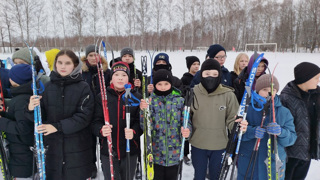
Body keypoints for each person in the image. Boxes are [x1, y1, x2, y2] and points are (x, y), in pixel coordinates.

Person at [27, 50, 94, 180]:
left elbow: (84, 117)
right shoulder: (47, 87)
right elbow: (40, 117)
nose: (63, 66)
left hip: (77, 149)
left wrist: (57, 127)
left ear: (74, 65)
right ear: (55, 64)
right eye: (60, 62)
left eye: (67, 63)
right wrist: (31, 108)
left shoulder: (83, 87)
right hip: (53, 149)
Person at [189, 59, 248, 180]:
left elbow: (232, 120)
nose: (210, 77)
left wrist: (239, 126)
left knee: (216, 176)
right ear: (201, 74)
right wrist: (186, 130)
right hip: (198, 144)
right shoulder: (193, 93)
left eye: (215, 75)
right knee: (198, 176)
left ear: (219, 75)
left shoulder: (228, 94)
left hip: (219, 145)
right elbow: (187, 118)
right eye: (207, 74)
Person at [237, 74, 297, 180]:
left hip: (273, 165)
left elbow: (291, 139)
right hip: (249, 162)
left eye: (273, 90)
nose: (269, 93)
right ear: (258, 90)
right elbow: (235, 135)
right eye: (264, 89)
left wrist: (281, 132)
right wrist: (252, 131)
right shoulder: (246, 109)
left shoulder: (284, 112)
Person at [91, 61, 142, 180]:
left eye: (124, 75)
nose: (120, 78)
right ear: (111, 77)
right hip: (108, 151)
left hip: (130, 150)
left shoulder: (136, 96)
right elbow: (94, 122)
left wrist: (134, 132)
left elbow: (140, 123)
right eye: (116, 75)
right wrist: (101, 130)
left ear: (128, 78)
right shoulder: (102, 96)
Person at [140, 69, 191, 180]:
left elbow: (187, 122)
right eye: (159, 84)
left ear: (171, 84)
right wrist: (143, 111)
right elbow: (144, 126)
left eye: (166, 84)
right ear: (154, 85)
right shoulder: (150, 102)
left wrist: (187, 130)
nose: (163, 87)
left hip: (175, 154)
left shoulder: (180, 101)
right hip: (155, 154)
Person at [280, 62, 320, 180]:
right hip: (290, 153)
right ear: (305, 79)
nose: (318, 81)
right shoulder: (286, 97)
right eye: (316, 78)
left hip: (308, 150)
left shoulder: (317, 95)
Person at [81, 44, 111, 178]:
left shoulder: (106, 71)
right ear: (86, 57)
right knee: (89, 141)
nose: (93, 58)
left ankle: (105, 162)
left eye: (95, 54)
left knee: (104, 138)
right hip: (87, 111)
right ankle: (91, 165)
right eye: (90, 55)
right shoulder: (81, 72)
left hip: (103, 110)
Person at [0, 64, 34, 179]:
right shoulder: (22, 96)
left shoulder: (21, 100)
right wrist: (4, 115)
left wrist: (2, 122)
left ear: (15, 80)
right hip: (21, 152)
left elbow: (23, 127)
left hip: (22, 154)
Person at [180, 55, 200, 165]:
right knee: (186, 130)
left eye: (198, 64)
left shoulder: (200, 76)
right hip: (188, 107)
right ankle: (185, 153)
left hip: (198, 107)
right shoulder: (185, 78)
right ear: (189, 66)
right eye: (194, 64)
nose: (196, 66)